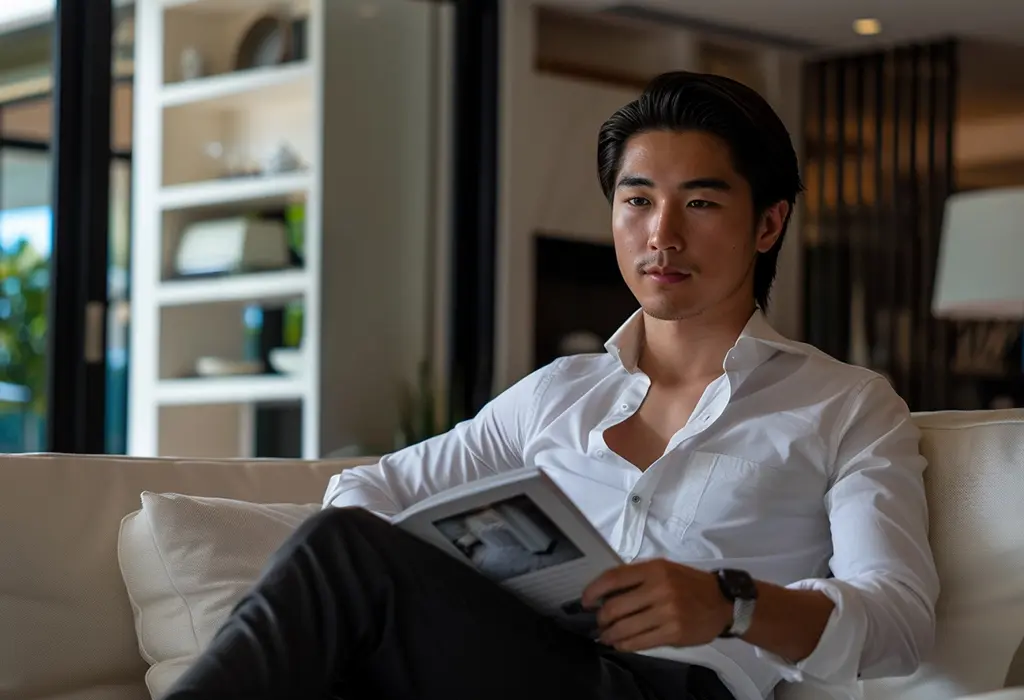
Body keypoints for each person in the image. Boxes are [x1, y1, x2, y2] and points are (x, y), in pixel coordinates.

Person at [163, 71, 939, 700]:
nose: (661, 234)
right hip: (521, 663)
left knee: (341, 569)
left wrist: (733, 603)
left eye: (699, 203)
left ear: (768, 225)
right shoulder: (559, 394)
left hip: (679, 689)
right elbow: (366, 490)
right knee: (344, 569)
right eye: (637, 201)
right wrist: (461, 580)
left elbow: (902, 622)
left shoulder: (845, 404)